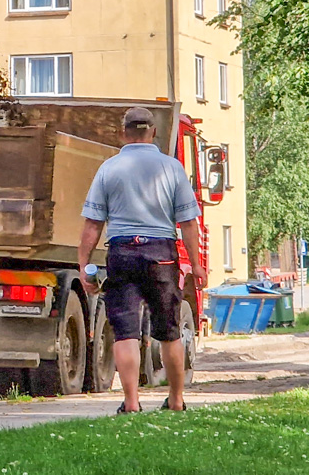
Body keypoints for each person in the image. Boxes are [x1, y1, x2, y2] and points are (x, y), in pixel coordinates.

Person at [77, 106, 207, 413]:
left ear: (123, 133)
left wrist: (83, 265)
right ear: (154, 133)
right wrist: (198, 265)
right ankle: (176, 401)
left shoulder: (109, 168)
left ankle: (131, 403)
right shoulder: (171, 168)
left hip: (122, 253)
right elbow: (188, 222)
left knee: (126, 333)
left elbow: (92, 224)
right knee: (169, 331)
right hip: (161, 254)